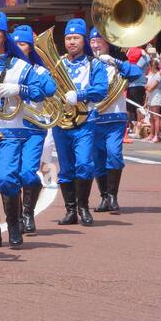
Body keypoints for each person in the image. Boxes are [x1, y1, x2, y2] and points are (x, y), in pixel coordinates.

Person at [0, 13, 53, 249]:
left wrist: (19, 88)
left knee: (7, 179)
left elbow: (45, 89)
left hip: (10, 131)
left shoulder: (20, 66)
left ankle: (14, 226)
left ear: (4, 36)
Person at [50, 19, 108, 226]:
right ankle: (70, 210)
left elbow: (102, 89)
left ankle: (83, 206)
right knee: (66, 167)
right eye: (68, 38)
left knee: (84, 163)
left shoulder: (95, 64)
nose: (72, 42)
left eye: (76, 38)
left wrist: (81, 94)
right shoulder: (57, 64)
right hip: (61, 122)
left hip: (85, 120)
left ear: (84, 40)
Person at [88, 28, 142, 210]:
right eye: (92, 41)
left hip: (115, 117)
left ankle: (113, 196)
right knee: (97, 159)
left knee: (114, 155)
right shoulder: (86, 63)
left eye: (99, 41)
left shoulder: (116, 63)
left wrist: (116, 62)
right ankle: (104, 196)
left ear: (107, 43)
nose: (95, 45)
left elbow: (137, 73)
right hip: (94, 117)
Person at [11, 24, 55, 234]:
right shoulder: (7, 67)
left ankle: (27, 213)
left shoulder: (39, 70)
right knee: (10, 175)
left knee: (28, 173)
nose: (19, 47)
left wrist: (27, 86)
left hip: (34, 127)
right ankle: (17, 217)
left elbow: (49, 88)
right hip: (10, 127)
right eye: (16, 43)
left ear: (30, 47)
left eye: (23, 44)